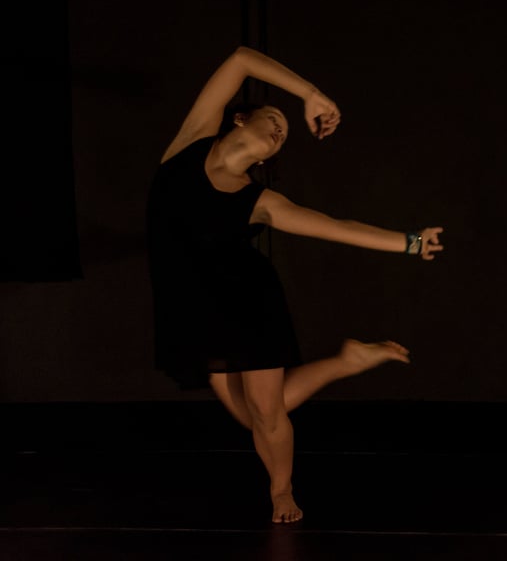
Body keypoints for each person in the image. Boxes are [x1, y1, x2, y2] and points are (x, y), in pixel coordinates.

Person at [145, 45, 444, 524]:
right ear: (240, 119)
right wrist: (309, 95)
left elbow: (337, 225)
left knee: (265, 416)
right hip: (197, 308)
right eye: (273, 118)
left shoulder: (261, 201)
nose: (280, 131)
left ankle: (281, 492)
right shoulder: (190, 141)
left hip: (248, 304)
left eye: (284, 135)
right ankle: (347, 360)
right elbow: (241, 59)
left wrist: (408, 243)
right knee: (255, 416)